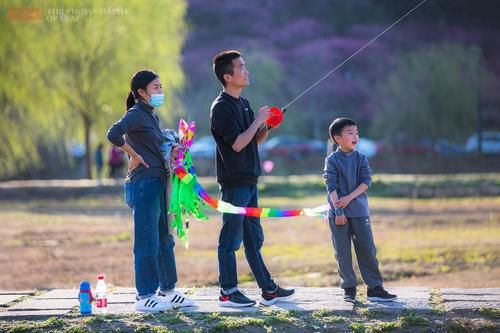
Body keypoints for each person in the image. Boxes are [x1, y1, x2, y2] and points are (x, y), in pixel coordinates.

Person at [210, 50, 294, 307]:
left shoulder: (243, 103)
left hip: (250, 179)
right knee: (231, 239)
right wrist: (258, 119)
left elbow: (253, 141)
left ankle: (268, 289)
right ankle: (228, 291)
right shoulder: (221, 108)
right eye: (241, 67)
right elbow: (237, 144)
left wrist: (267, 126)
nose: (246, 71)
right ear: (227, 76)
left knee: (253, 239)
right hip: (234, 183)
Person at [107, 70, 193, 312]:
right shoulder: (135, 114)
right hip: (142, 185)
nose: (160, 91)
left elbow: (155, 147)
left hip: (157, 182)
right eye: (156, 87)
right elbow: (113, 134)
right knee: (147, 241)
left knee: (164, 238)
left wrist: (173, 150)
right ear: (141, 93)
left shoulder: (151, 117)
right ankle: (144, 295)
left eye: (160, 86)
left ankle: (168, 290)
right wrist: (133, 155)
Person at [323, 117, 397, 303]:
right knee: (342, 252)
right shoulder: (332, 160)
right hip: (338, 214)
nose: (355, 136)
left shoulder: (361, 157)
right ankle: (349, 288)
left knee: (367, 249)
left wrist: (348, 198)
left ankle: (375, 288)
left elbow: (366, 182)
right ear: (337, 138)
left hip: (360, 211)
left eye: (356, 133)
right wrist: (338, 211)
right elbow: (330, 184)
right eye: (350, 133)